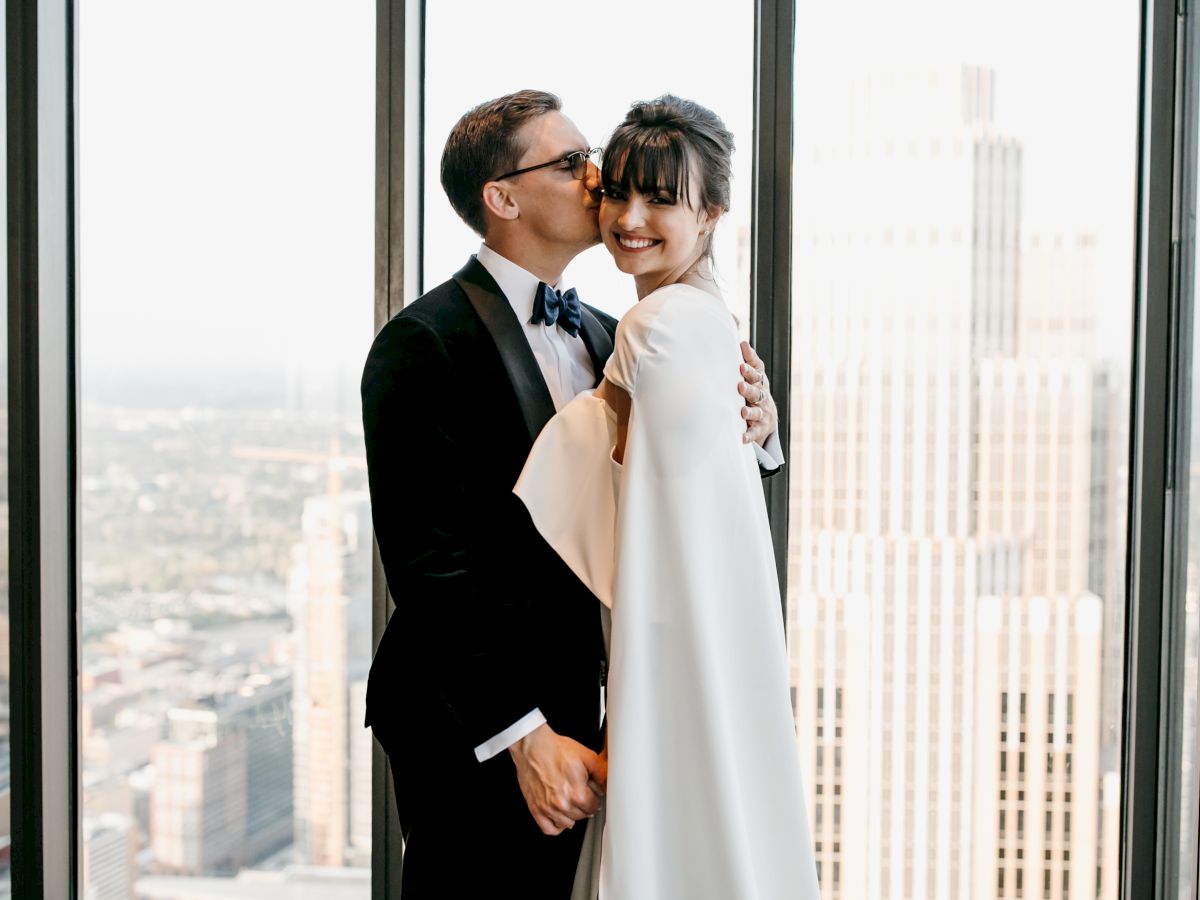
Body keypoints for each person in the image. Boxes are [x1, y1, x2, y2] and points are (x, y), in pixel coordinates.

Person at [360, 89, 784, 898]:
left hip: (589, 713)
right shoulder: (421, 344)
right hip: (470, 721)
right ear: (503, 197)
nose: (597, 180)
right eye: (571, 162)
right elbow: (428, 566)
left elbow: (662, 487)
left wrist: (759, 435)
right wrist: (522, 736)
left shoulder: (609, 330)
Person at [514, 95, 820, 899]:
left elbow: (669, 544)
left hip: (665, 671)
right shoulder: (678, 324)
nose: (630, 216)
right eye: (619, 191)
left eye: (661, 198)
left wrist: (637, 714)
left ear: (713, 213)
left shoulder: (660, 330)